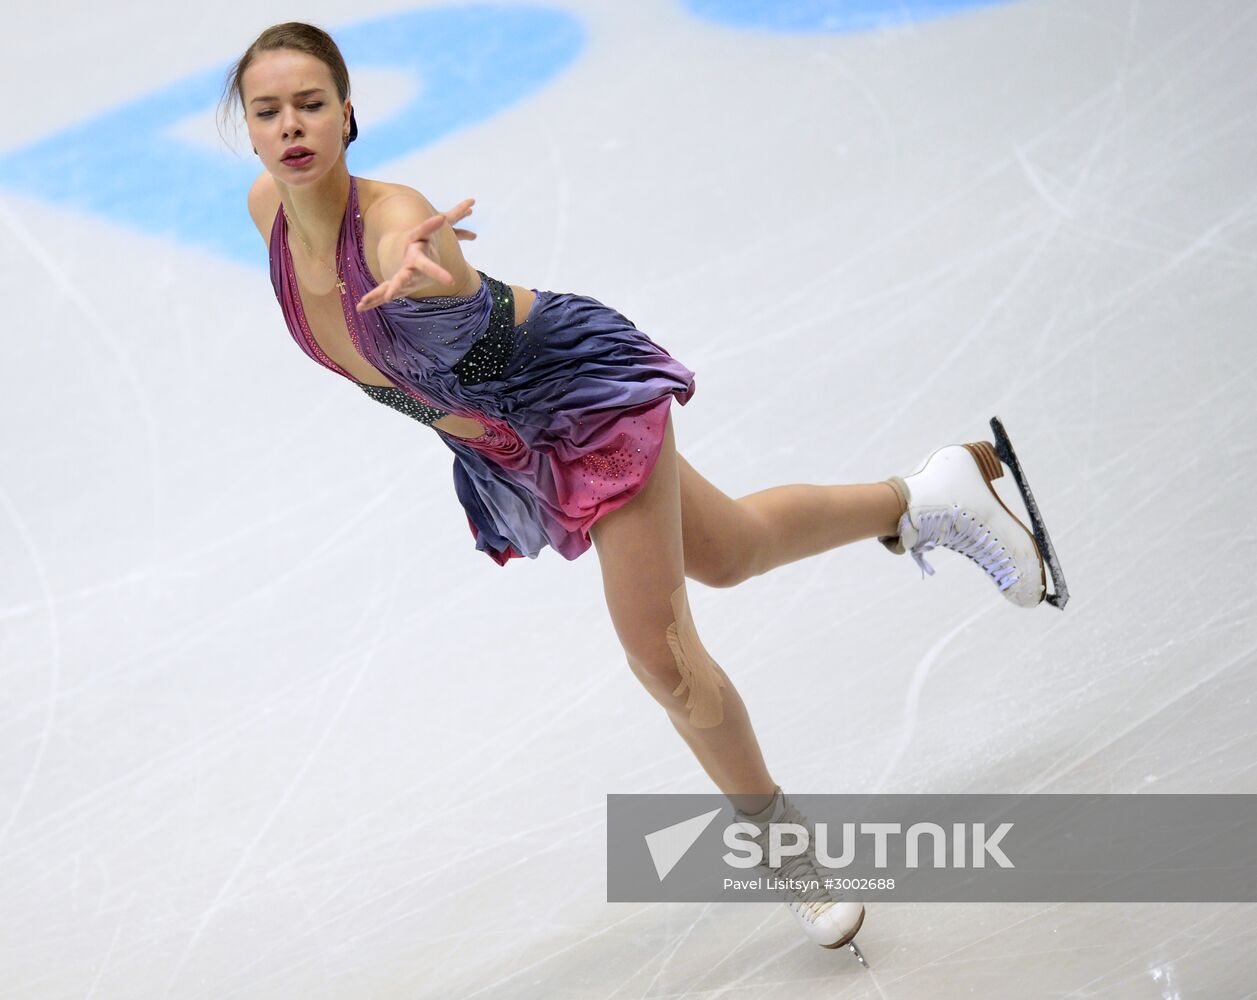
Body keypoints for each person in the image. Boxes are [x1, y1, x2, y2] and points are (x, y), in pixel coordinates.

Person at [220, 20, 1066, 968]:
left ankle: (785, 850)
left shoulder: (391, 223)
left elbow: (440, 268)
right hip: (509, 440)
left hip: (571, 394)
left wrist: (439, 272)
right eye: (269, 110)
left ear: (348, 114)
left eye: (311, 104)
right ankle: (925, 495)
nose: (292, 125)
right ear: (246, 130)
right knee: (731, 550)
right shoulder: (268, 210)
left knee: (659, 656)